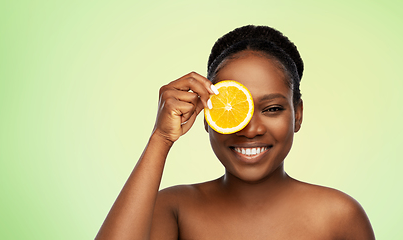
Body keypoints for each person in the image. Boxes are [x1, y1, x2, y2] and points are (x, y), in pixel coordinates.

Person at [95, 25, 375, 239]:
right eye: (233, 110)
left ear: (297, 115)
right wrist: (161, 138)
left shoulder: (339, 216)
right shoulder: (174, 208)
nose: (251, 129)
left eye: (272, 109)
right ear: (208, 117)